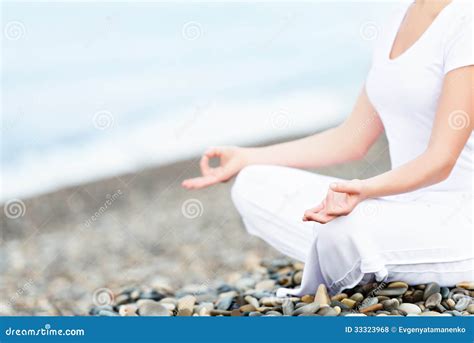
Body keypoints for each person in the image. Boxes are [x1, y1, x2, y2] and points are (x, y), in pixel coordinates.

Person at [182, 0, 473, 296]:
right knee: (252, 183)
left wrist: (365, 189)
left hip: (458, 220)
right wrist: (247, 157)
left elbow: (441, 159)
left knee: (342, 229)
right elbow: (350, 138)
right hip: (396, 207)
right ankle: (359, 257)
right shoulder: (398, 17)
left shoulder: (466, 20)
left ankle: (355, 255)